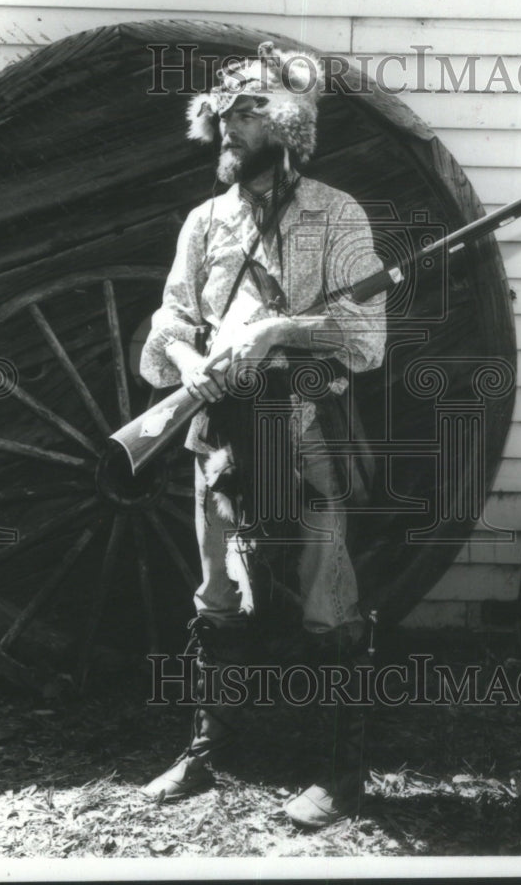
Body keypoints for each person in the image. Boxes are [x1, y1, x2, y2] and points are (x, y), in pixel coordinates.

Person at [138, 42, 386, 828]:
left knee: (326, 600)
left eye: (243, 118)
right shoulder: (205, 221)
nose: (226, 134)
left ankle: (336, 776)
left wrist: (276, 330)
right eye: (220, 121)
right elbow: (165, 327)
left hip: (306, 427)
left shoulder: (338, 214)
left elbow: (364, 338)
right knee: (217, 594)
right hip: (220, 431)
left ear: (289, 128)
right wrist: (191, 359)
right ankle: (212, 754)